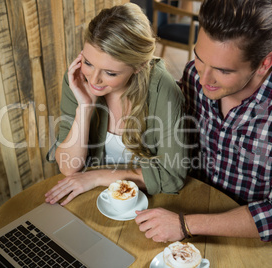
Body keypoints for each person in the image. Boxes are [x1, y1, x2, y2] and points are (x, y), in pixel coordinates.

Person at [135, 0, 272, 246]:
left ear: (264, 64)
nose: (204, 78)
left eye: (223, 71)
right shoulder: (194, 76)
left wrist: (186, 225)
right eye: (199, 57)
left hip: (245, 238)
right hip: (179, 212)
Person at [45, 3, 188, 206]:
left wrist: (96, 177)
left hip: (148, 202)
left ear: (139, 66)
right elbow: (69, 167)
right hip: (96, 198)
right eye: (88, 62)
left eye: (110, 73)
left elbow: (171, 175)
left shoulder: (161, 88)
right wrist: (84, 108)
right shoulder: (78, 80)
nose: (94, 80)